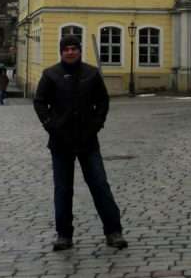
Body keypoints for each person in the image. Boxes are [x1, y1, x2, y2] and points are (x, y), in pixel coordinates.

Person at [33, 34, 127, 252]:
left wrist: (97, 124)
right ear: (61, 51)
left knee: (100, 185)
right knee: (63, 190)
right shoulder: (51, 75)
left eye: (74, 48)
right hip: (60, 141)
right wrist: (50, 124)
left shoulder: (91, 74)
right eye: (66, 48)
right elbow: (39, 102)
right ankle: (64, 235)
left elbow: (102, 101)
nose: (70, 52)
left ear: (80, 50)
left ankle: (114, 231)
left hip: (87, 140)